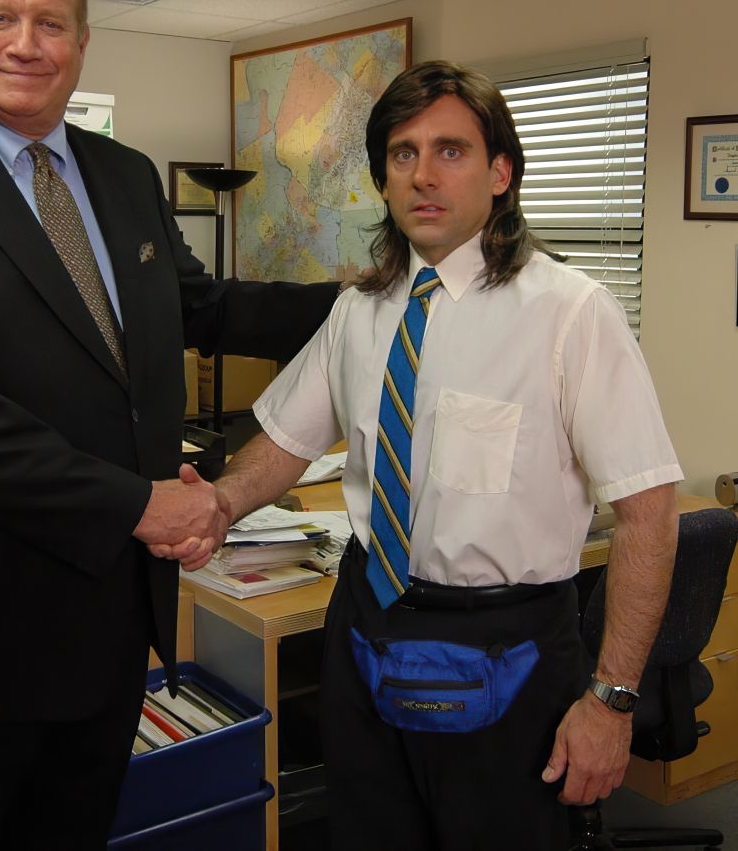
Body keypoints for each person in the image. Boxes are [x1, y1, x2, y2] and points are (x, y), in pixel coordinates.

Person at [0, 0, 337, 849]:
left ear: (83, 41)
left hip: (108, 616)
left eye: (51, 22)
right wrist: (137, 504)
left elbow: (195, 304)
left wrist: (364, 298)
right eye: (1, 17)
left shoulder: (124, 175)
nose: (27, 42)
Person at [216, 60, 682, 850]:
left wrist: (610, 701)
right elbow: (287, 445)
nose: (423, 175)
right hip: (366, 624)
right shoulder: (359, 311)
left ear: (501, 172)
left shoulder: (571, 313)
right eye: (402, 153)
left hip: (509, 650)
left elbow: (649, 514)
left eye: (450, 151)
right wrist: (217, 503)